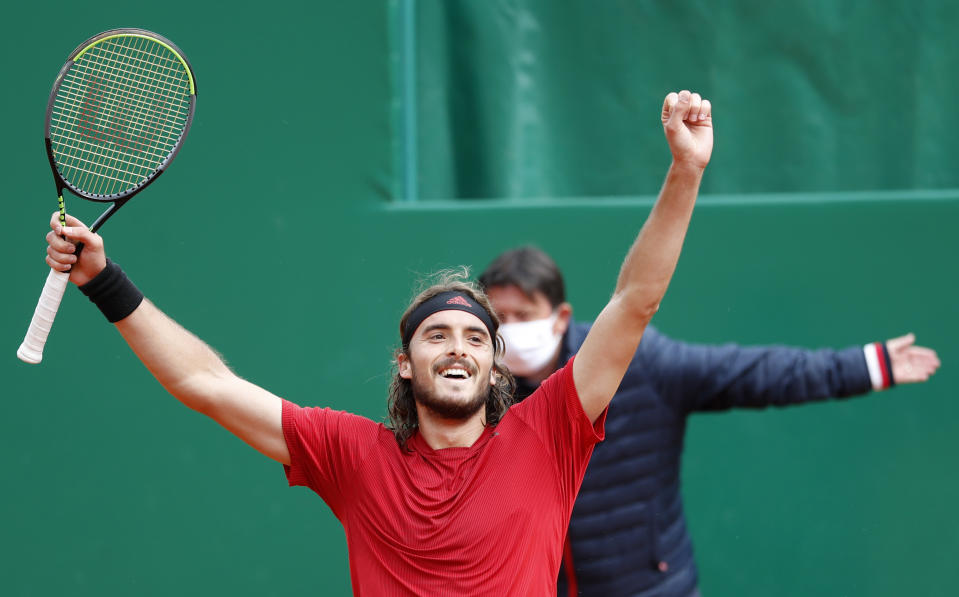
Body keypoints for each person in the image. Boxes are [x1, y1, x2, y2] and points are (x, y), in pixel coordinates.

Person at [40, 89, 714, 595]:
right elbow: (205, 385)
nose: (457, 347)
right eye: (437, 334)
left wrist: (685, 171)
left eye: (476, 337)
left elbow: (635, 302)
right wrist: (103, 279)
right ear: (404, 360)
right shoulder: (351, 454)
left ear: (493, 362)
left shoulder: (549, 433)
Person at [479, 247, 940, 597]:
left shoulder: (638, 364)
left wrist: (866, 366)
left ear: (560, 317)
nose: (512, 329)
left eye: (524, 315)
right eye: (501, 318)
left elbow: (752, 373)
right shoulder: (476, 395)